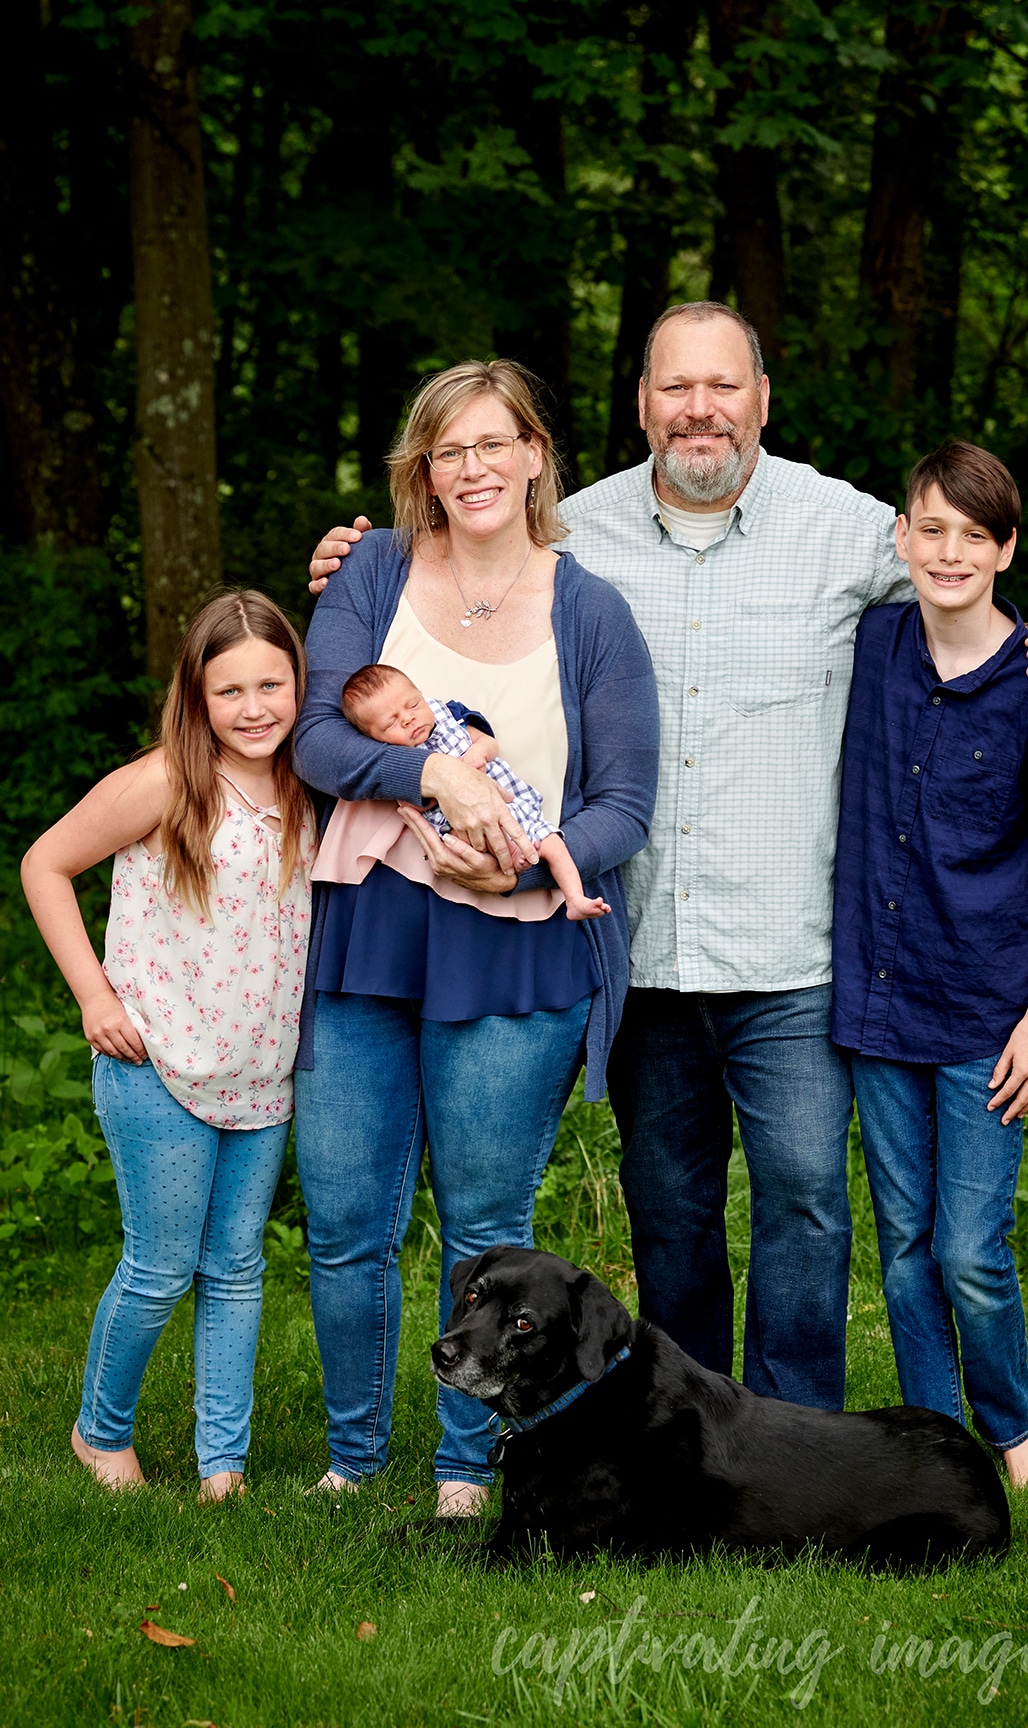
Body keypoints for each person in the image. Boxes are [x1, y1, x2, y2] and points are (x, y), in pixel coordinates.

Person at [308, 303, 1028, 1413]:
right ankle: (683, 1435)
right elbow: (449, 567)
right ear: (641, 404)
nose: (699, 410)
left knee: (806, 1203)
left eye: (723, 387)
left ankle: (794, 1428)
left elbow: (956, 568)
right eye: (676, 388)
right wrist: (363, 557)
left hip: (793, 953)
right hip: (645, 946)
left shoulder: (846, 528)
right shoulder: (568, 537)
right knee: (668, 1211)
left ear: (760, 400)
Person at [293, 359, 658, 1512]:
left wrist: (509, 858)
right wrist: (434, 773)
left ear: (537, 455)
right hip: (368, 934)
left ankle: (467, 1462)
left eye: (495, 444)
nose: (474, 467)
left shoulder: (589, 608)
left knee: (488, 1227)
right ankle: (353, 1457)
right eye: (450, 451)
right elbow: (312, 738)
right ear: (424, 472)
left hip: (514, 943)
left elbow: (625, 807)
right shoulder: (375, 573)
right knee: (349, 1217)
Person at [831, 441, 1028, 1487]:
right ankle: (930, 1443)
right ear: (901, 537)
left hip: (990, 1010)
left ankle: (1009, 1422)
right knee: (902, 1246)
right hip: (877, 998)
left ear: (1005, 549)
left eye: (973, 534)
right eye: (930, 529)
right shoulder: (869, 644)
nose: (949, 552)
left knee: (969, 1254)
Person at [20, 592, 314, 1501]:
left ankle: (221, 1463)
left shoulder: (309, 784)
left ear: (301, 683)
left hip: (260, 1074)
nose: (255, 706)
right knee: (159, 1269)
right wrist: (93, 994)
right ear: (197, 697)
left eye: (273, 683)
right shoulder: (164, 781)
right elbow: (45, 864)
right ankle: (98, 1431)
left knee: (234, 1271)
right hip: (160, 1064)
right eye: (231, 691)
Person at [313, 662, 610, 920]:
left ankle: (575, 899)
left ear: (420, 692)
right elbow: (412, 805)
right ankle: (509, 853)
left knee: (554, 844)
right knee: (462, 843)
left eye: (413, 704)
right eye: (391, 722)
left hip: (515, 804)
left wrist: (475, 756)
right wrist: (437, 785)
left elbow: (489, 743)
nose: (408, 719)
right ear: (374, 737)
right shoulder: (393, 757)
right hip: (463, 826)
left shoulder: (451, 714)